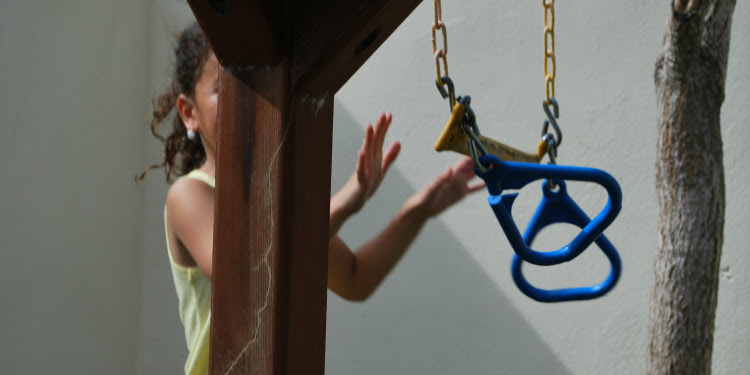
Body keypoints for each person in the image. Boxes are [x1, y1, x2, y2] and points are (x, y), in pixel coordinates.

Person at [139, 22, 483, 375]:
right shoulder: (188, 194)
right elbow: (246, 273)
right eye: (223, 88)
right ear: (188, 112)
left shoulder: (275, 202)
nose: (245, 96)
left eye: (252, 83)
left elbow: (353, 277)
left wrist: (418, 211)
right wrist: (348, 199)